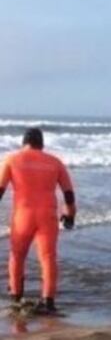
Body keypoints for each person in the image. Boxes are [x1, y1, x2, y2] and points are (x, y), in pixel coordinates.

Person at [0, 128, 76, 314]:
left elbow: (0, 190)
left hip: (22, 215)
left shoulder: (11, 160)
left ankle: (16, 296)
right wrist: (70, 214)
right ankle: (48, 301)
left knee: (17, 255)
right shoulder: (55, 162)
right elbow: (68, 193)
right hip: (47, 216)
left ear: (23, 143)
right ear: (41, 144)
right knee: (48, 257)